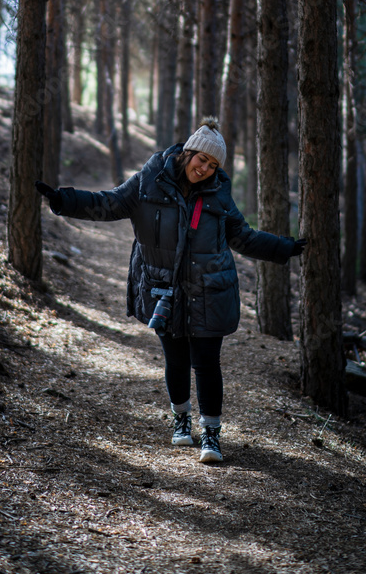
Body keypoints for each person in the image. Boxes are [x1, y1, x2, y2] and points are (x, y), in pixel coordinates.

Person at [36, 117, 305, 465]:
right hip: (163, 290)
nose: (205, 169)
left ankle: (212, 434)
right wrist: (63, 200)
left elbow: (242, 236)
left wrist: (283, 248)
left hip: (210, 289)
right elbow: (109, 203)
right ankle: (181, 420)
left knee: (206, 363)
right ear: (189, 152)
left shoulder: (219, 193)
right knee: (176, 360)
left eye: (212, 165)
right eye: (201, 160)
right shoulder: (150, 180)